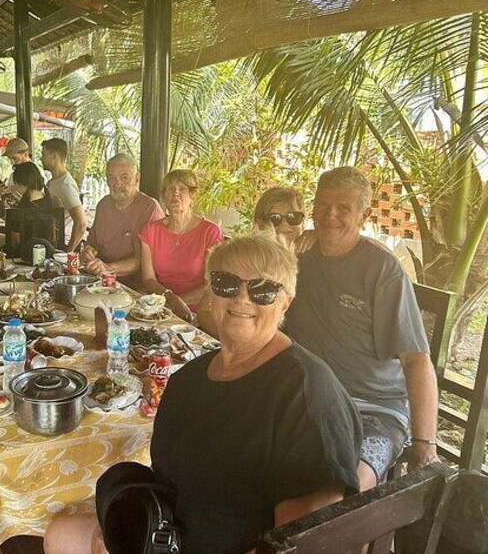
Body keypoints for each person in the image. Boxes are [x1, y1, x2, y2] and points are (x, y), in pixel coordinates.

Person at [45, 235, 362, 553]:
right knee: (60, 534)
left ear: (286, 302)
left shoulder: (305, 395)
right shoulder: (188, 380)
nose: (242, 299)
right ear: (210, 291)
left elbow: (303, 540)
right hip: (168, 537)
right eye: (227, 283)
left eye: (262, 289)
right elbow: (171, 480)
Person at [284, 166, 439, 490]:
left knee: (346, 490)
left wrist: (424, 442)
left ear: (364, 214)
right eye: (323, 205)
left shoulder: (382, 270)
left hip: (375, 408)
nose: (330, 216)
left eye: (343, 208)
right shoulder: (299, 257)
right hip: (310, 396)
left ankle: (361, 539)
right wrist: (286, 244)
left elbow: (416, 360)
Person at [139, 169, 223, 322]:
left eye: (182, 189)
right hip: (160, 310)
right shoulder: (151, 230)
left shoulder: (210, 232)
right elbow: (149, 279)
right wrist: (169, 299)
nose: (176, 193)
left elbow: (211, 284)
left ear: (193, 196)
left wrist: (178, 302)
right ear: (164, 197)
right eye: (170, 189)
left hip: (199, 314)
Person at [81, 153, 164, 287]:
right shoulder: (103, 205)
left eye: (124, 177)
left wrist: (108, 268)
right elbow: (92, 244)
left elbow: (142, 261)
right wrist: (87, 252)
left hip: (136, 289)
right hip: (101, 283)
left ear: (137, 178)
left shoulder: (149, 208)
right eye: (111, 177)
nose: (117, 184)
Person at [0, 162, 52, 254]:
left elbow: (15, 242)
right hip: (46, 247)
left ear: (23, 184)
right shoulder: (47, 197)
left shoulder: (21, 209)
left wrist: (10, 213)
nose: (16, 188)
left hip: (25, 249)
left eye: (17, 184)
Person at [41, 138, 87, 252]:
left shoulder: (66, 185)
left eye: (43, 154)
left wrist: (68, 253)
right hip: (52, 240)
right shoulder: (54, 182)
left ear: (54, 156)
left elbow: (81, 223)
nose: (41, 158)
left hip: (62, 244)